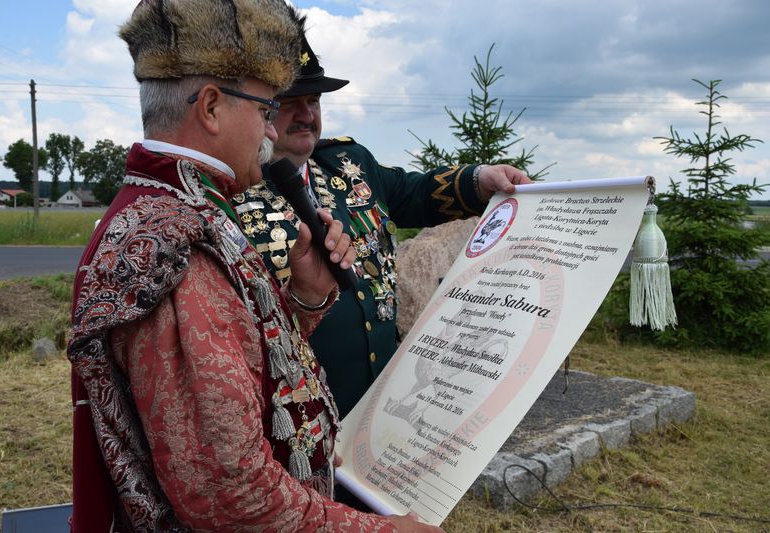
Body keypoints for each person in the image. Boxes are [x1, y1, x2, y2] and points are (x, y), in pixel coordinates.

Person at [67, 1, 441, 531]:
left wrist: (305, 298)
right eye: (266, 111)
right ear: (213, 108)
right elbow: (229, 497)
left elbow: (231, 373)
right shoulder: (173, 244)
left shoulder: (186, 204)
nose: (272, 133)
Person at [233, 33, 532, 417]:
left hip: (382, 409)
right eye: (290, 102)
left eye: (313, 100)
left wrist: (480, 179)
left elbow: (416, 193)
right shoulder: (235, 194)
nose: (307, 114)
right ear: (262, 109)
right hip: (302, 424)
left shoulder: (348, 162)